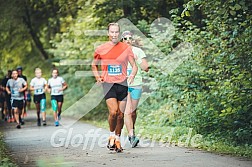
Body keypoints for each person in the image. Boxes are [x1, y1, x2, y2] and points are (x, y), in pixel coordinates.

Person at [92, 23, 138, 153]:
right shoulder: (101, 49)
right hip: (108, 84)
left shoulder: (126, 48)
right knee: (114, 112)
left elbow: (134, 65)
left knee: (121, 115)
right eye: (111, 32)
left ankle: (117, 139)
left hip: (122, 83)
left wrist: (132, 75)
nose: (114, 34)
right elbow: (94, 65)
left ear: (119, 33)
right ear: (108, 33)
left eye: (116, 32)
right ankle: (111, 135)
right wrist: (97, 77)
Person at [121, 31, 149, 148]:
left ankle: (132, 130)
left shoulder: (138, 51)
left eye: (130, 38)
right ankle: (132, 136)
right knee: (127, 111)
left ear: (132, 40)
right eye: (125, 38)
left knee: (133, 111)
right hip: (123, 85)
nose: (128, 40)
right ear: (122, 40)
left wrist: (137, 59)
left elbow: (146, 68)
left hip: (136, 85)